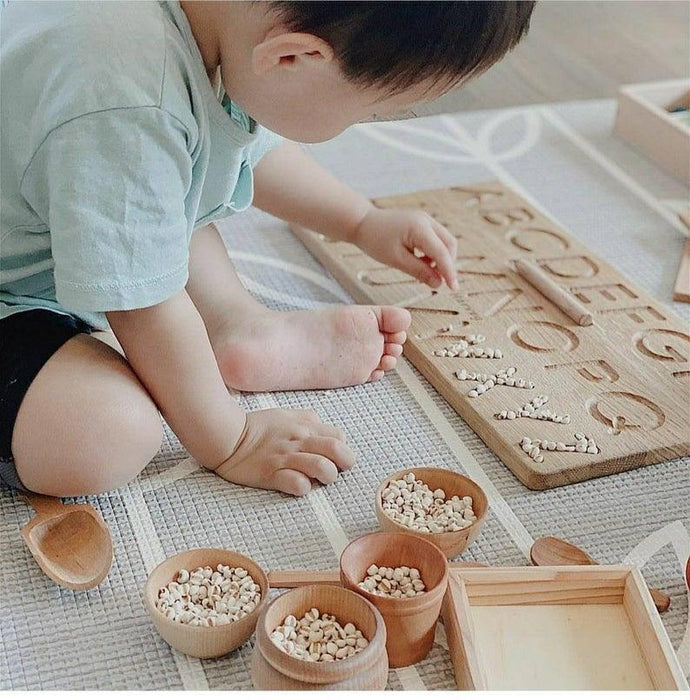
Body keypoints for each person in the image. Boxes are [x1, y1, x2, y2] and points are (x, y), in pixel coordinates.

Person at [0, 1, 535, 497]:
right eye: (370, 114)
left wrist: (361, 220)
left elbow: (246, 146)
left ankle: (236, 326)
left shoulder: (227, 23)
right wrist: (231, 439)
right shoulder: (126, 100)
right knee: (102, 433)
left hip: (46, 217)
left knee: (166, 202)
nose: (360, 124)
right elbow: (144, 307)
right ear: (292, 56)